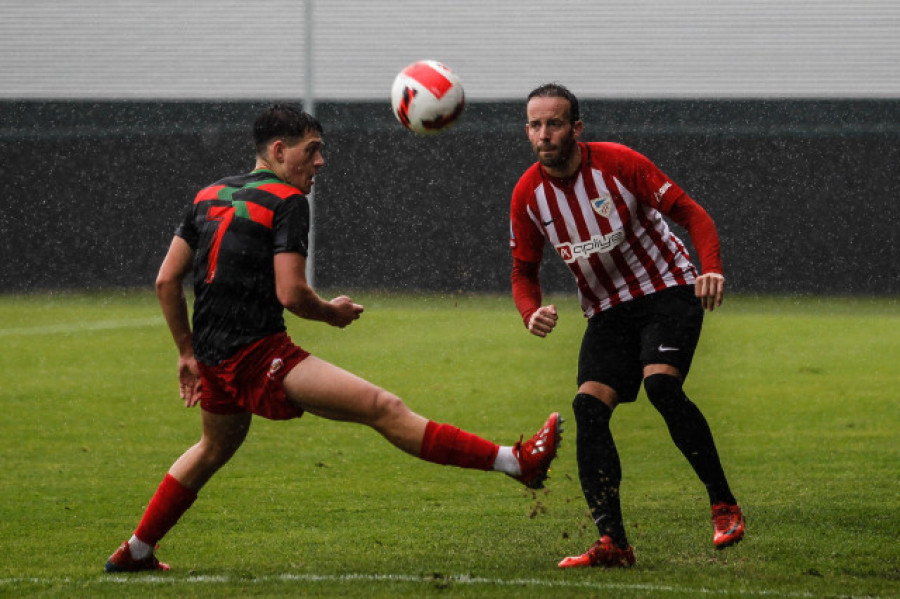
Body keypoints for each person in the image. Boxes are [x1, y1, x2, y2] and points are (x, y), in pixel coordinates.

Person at [105, 104, 562, 573]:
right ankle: (516, 462)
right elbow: (291, 292)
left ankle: (136, 549)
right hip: (257, 355)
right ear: (280, 151)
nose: (321, 161)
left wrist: (186, 354)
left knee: (213, 448)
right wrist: (331, 313)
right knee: (383, 407)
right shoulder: (286, 202)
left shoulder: (207, 195)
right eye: (313, 150)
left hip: (214, 357)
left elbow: (166, 281)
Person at [508, 84, 744, 569]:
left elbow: (691, 213)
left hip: (668, 289)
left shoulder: (618, 163)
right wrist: (530, 310)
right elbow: (523, 271)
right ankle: (613, 542)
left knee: (661, 386)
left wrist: (712, 267)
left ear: (576, 128)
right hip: (607, 309)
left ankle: (723, 504)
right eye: (535, 124)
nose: (544, 134)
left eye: (554, 123)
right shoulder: (528, 194)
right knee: (587, 409)